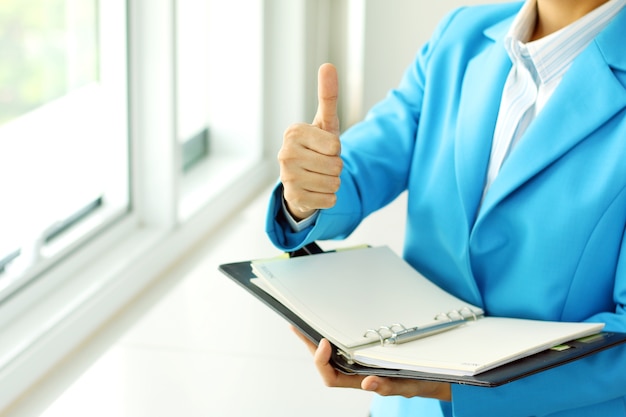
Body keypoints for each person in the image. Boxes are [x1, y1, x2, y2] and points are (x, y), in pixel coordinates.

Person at [265, 0, 626, 416]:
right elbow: (370, 157)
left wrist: (453, 386)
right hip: (406, 406)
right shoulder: (461, 34)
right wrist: (311, 190)